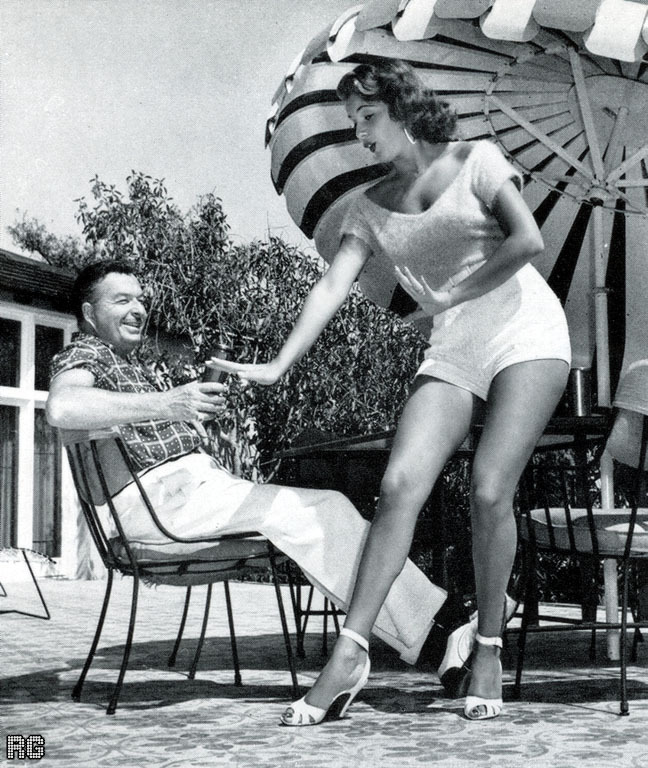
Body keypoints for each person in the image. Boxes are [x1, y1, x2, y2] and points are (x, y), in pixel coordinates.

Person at [210, 59, 571, 723]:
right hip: (456, 346)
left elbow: (528, 239)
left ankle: (488, 648)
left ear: (404, 109)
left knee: (490, 488)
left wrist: (451, 294)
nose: (360, 132)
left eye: (368, 116)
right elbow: (331, 285)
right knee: (401, 484)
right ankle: (350, 654)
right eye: (353, 121)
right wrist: (278, 364)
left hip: (526, 331)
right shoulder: (370, 207)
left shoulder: (477, 160)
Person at [46, 259, 473, 705]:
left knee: (324, 515)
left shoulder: (125, 363)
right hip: (161, 506)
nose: (138, 309)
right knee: (321, 511)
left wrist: (183, 417)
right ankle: (443, 627)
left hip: (185, 494)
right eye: (122, 300)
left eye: (140, 299)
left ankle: (436, 630)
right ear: (89, 313)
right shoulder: (83, 354)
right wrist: (171, 403)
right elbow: (62, 408)